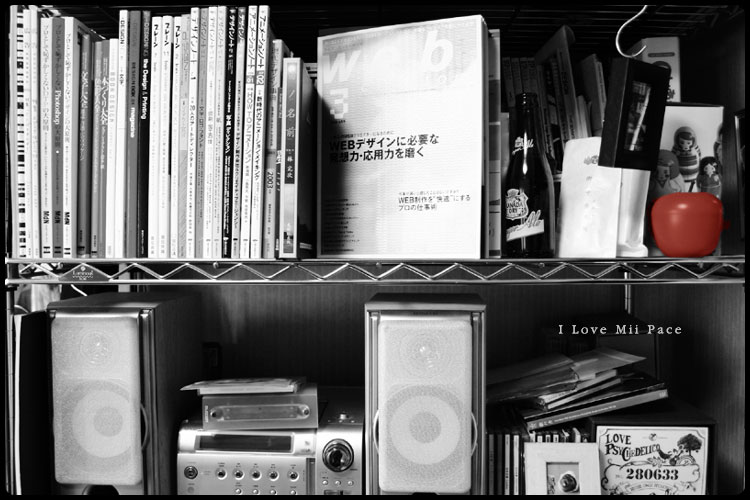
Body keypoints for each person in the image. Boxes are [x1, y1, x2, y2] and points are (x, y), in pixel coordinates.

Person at [672, 126, 701, 191]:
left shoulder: (695, 148)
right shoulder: (676, 149)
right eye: (682, 142)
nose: (685, 145)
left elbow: (699, 157)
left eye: (688, 143)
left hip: (694, 176)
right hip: (680, 176)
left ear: (693, 141)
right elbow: (672, 159)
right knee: (682, 189)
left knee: (693, 189)